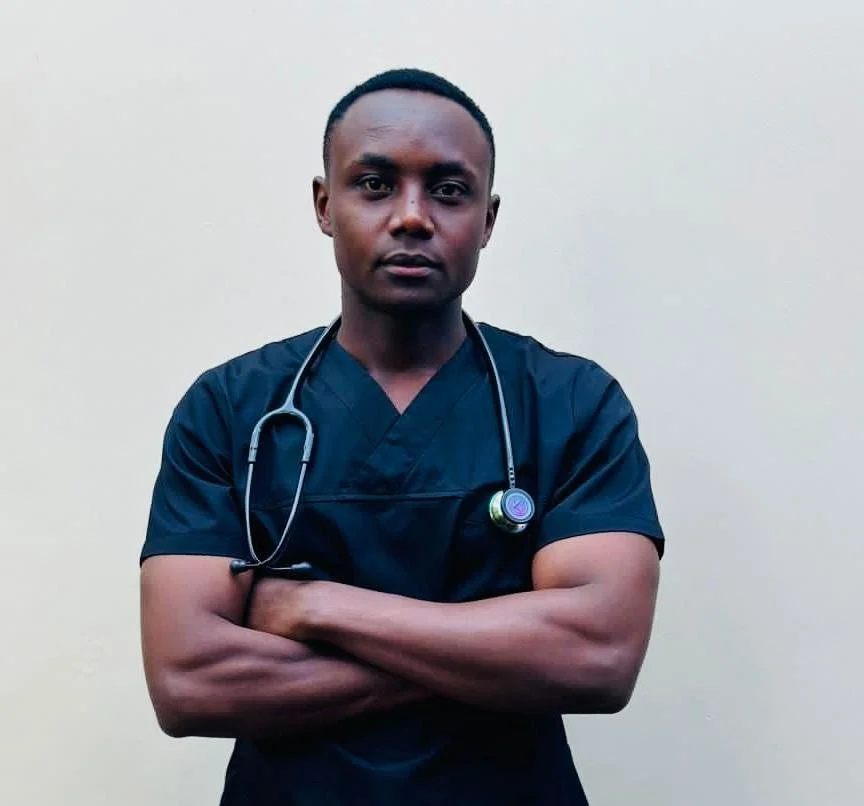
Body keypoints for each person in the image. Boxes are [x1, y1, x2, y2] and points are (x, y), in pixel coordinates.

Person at [139, 67, 665, 806]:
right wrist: (495, 656)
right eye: (375, 184)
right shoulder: (230, 408)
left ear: (488, 218)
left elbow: (597, 658)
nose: (412, 217)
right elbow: (189, 682)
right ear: (325, 205)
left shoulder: (572, 402)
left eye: (449, 190)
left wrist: (314, 609)